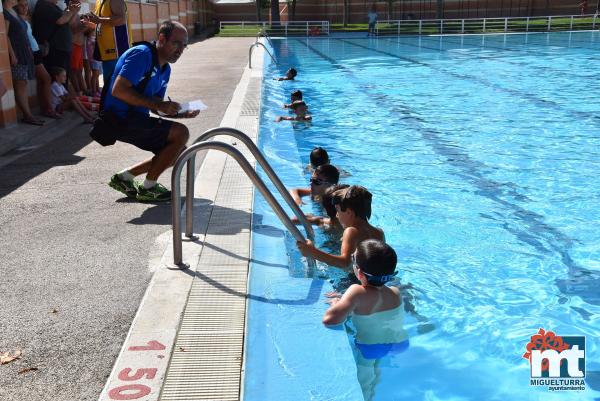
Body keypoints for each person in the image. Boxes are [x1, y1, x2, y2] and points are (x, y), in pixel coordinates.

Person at [104, 20, 199, 202]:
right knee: (181, 133)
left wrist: (180, 112)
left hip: (136, 118)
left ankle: (125, 177)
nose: (179, 50)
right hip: (118, 118)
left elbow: (155, 104)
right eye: (176, 43)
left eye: (184, 46)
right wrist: (158, 105)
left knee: (178, 151)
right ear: (162, 39)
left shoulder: (165, 69)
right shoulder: (142, 55)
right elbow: (119, 90)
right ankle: (149, 187)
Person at [322, 239, 407, 401]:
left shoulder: (356, 291)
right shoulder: (395, 292)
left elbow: (330, 319)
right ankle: (373, 393)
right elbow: (377, 308)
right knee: (376, 371)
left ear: (359, 273)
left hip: (368, 348)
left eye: (353, 259)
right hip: (395, 343)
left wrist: (336, 303)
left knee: (363, 381)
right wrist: (348, 300)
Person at [297, 185, 384, 269]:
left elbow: (345, 263)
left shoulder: (351, 231)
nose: (337, 215)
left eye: (338, 211)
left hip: (356, 280)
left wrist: (312, 252)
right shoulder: (379, 232)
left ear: (349, 212)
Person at [3, 0, 44, 125]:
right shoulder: (5, 13)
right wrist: (12, 54)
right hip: (17, 54)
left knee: (23, 83)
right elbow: (5, 35)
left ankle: (28, 114)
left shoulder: (13, 12)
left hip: (24, 54)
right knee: (20, 83)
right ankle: (27, 115)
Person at [15, 0, 58, 119]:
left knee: (42, 80)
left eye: (26, 5)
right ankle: (49, 108)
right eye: (21, 6)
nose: (24, 8)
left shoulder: (26, 20)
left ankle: (45, 108)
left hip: (36, 51)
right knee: (46, 78)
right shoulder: (17, 20)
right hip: (30, 53)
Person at [85, 0, 132, 85]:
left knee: (117, 86)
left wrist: (99, 19)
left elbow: (121, 19)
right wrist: (90, 23)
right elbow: (102, 24)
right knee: (109, 86)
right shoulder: (99, 1)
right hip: (105, 52)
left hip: (118, 51)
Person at [32, 0, 80, 78]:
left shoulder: (54, 7)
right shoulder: (44, 5)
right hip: (55, 49)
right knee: (57, 79)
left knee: (63, 79)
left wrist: (74, 10)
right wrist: (72, 10)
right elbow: (61, 20)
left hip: (62, 48)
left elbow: (69, 21)